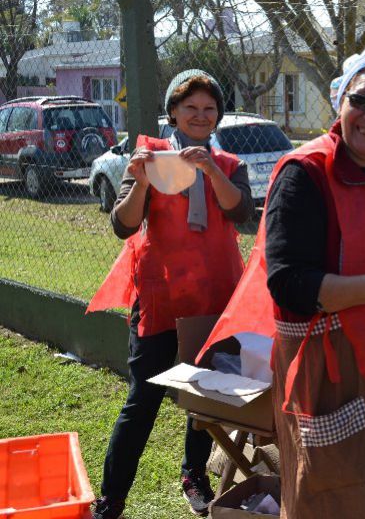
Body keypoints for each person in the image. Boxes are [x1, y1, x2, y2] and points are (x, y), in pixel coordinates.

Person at [201, 47, 365, 517]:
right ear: (339, 100)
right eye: (361, 101)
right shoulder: (304, 174)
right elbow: (288, 283)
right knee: (335, 493)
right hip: (329, 373)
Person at [86, 70, 254, 519]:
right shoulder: (150, 159)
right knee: (142, 401)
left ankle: (193, 475)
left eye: (209, 108)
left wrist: (210, 168)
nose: (200, 116)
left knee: (205, 394)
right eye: (190, 108)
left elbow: (241, 212)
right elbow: (123, 224)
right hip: (162, 299)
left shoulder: (230, 165)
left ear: (218, 115)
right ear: (173, 112)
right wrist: (141, 178)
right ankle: (112, 497)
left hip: (214, 298)